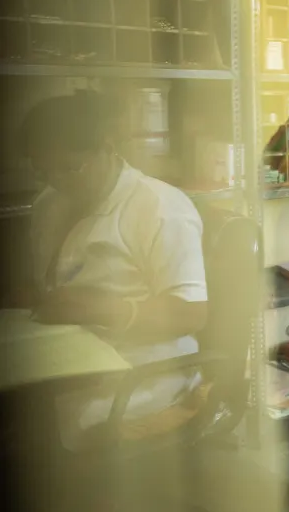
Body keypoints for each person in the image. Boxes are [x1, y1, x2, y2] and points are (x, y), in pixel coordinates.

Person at [24, 92, 208, 448]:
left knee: (47, 433)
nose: (59, 180)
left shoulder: (158, 207)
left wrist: (106, 309)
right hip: (67, 358)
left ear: (106, 147)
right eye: (45, 170)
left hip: (142, 373)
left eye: (70, 167)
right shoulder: (49, 203)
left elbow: (191, 313)